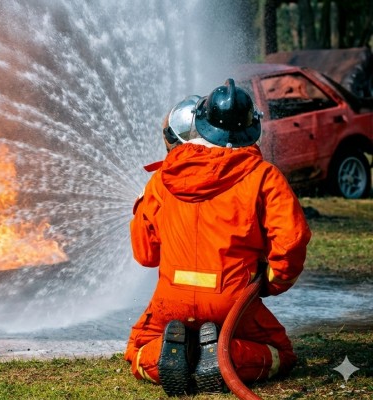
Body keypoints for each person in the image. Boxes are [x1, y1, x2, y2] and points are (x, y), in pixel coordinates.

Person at [125, 79, 312, 396]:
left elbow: (146, 255)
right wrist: (271, 283)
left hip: (172, 300)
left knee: (138, 350)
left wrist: (141, 205)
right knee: (281, 353)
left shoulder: (162, 179)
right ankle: (222, 355)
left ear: (201, 124)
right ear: (252, 127)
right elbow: (291, 241)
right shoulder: (264, 177)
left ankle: (178, 355)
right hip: (234, 301)